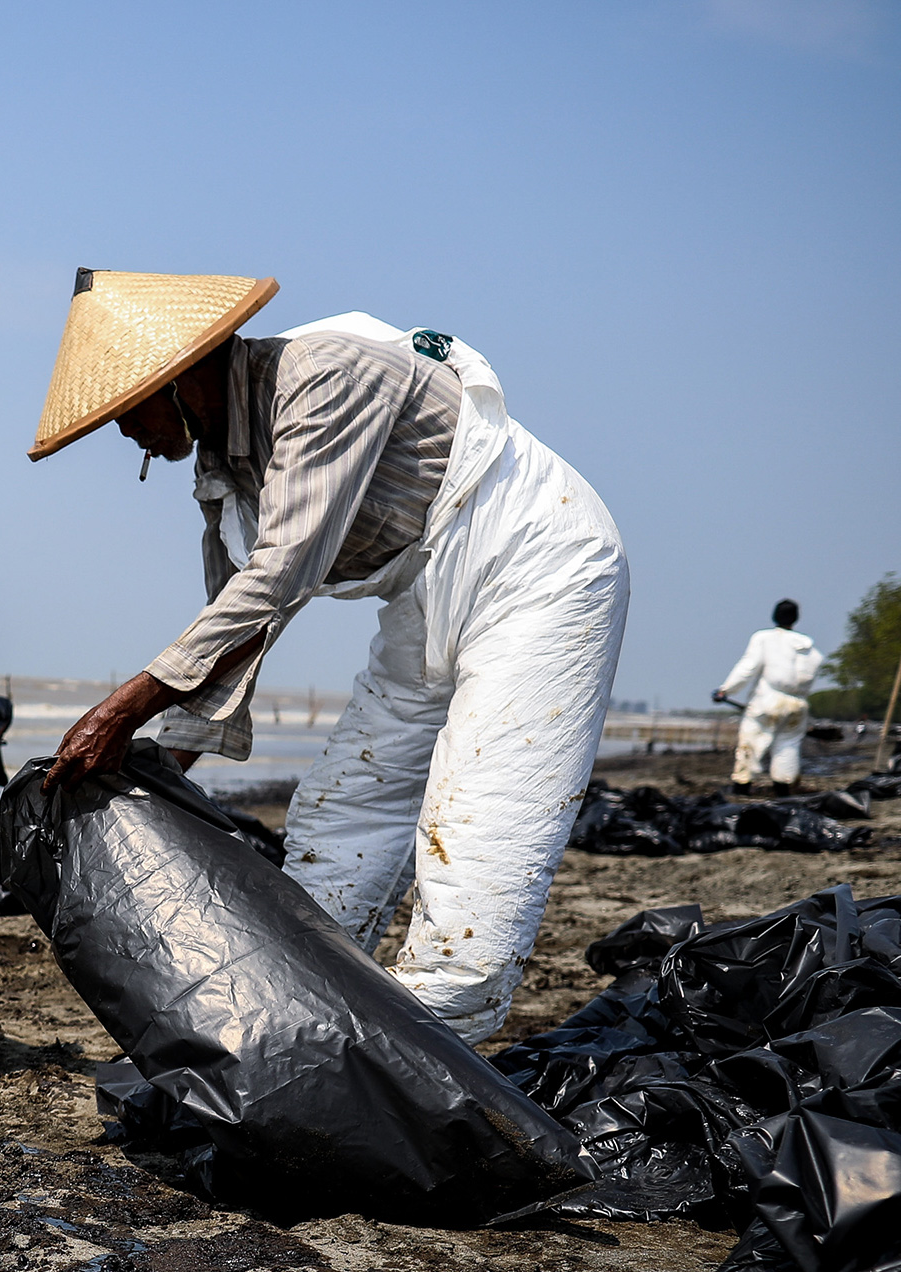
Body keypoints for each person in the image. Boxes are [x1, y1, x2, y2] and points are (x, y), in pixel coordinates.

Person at [32, 270, 628, 1044]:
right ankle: (303, 1027)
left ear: (178, 378)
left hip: (535, 563)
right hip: (423, 593)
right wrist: (164, 760)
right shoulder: (225, 464)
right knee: (341, 808)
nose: (126, 436)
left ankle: (432, 1071)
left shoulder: (322, 377)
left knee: (478, 831)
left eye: (126, 412)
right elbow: (238, 621)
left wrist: (122, 710)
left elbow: (280, 575)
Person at [716, 599, 821, 792]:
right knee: (787, 747)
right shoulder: (810, 649)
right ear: (796, 618)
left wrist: (726, 690)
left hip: (768, 701)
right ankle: (782, 788)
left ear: (774, 616)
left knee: (751, 742)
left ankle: (742, 786)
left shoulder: (764, 638)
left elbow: (747, 668)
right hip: (798, 705)